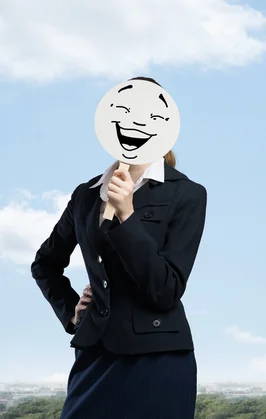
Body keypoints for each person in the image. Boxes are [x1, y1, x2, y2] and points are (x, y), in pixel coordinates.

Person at [31, 79, 207, 418]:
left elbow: (167, 289)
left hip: (159, 357)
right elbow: (45, 263)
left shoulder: (187, 194)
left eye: (149, 115)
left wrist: (126, 214)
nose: (135, 123)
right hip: (95, 351)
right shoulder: (85, 195)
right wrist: (71, 311)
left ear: (165, 126)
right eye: (124, 112)